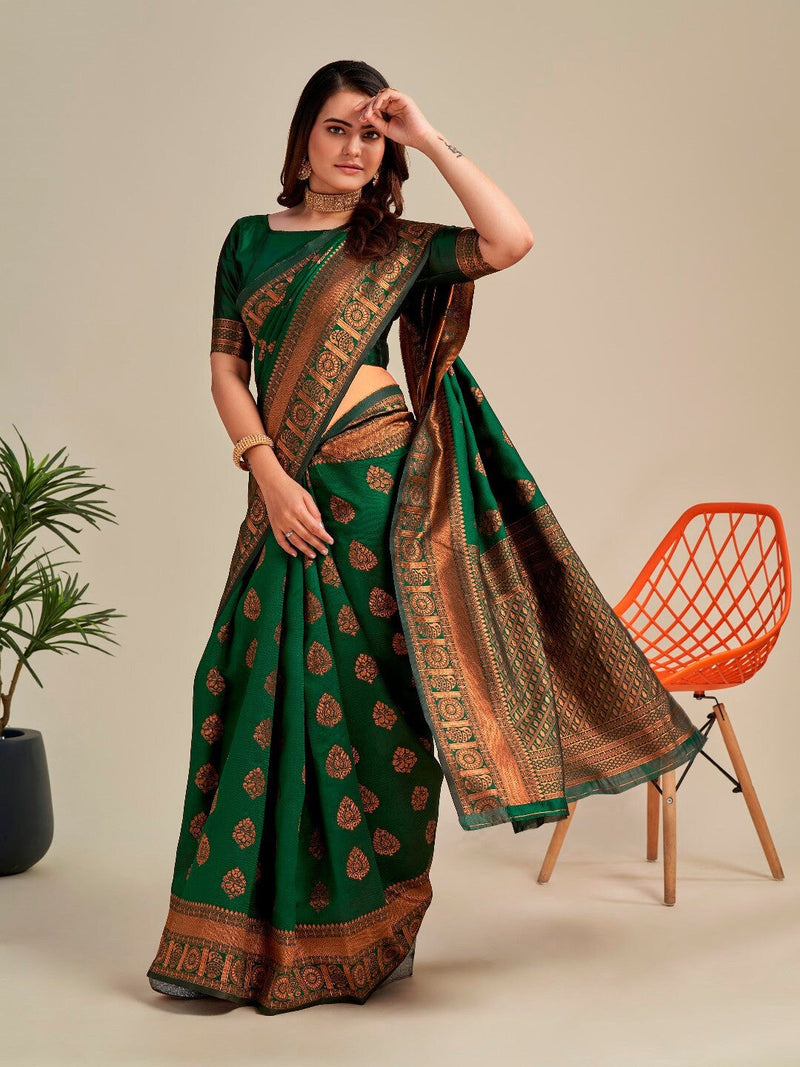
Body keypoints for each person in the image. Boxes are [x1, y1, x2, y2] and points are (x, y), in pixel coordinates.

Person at [147, 60, 707, 1015]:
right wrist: (269, 474)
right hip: (283, 496)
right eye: (337, 129)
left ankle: (363, 934)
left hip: (377, 498)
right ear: (302, 138)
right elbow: (224, 370)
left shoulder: (400, 246)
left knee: (374, 711)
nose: (354, 147)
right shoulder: (247, 241)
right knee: (249, 689)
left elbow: (512, 238)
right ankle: (238, 942)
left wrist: (427, 131)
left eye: (371, 134)